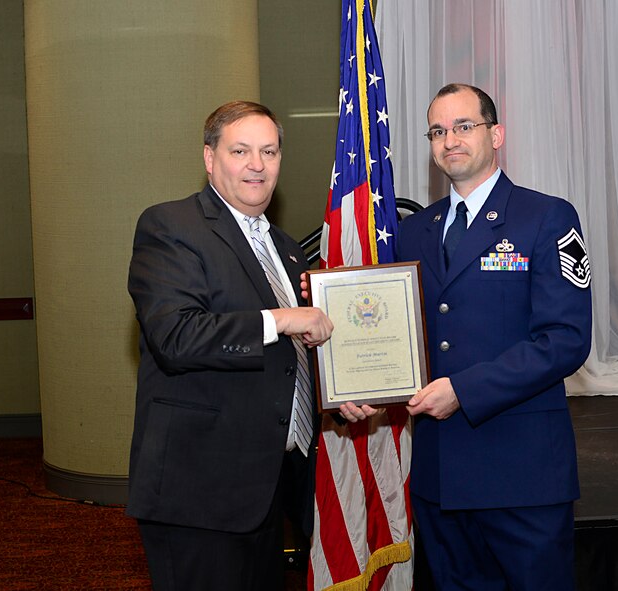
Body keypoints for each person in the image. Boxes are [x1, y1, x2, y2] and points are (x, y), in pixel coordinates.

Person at [339, 83, 593, 590]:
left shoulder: (546, 217)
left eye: (463, 126)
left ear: (495, 134)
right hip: (440, 477)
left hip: (522, 475)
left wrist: (464, 390)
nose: (449, 139)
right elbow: (392, 332)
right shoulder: (415, 232)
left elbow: (566, 339)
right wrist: (355, 376)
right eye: (438, 130)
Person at [126, 100, 333, 591]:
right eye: (240, 150)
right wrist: (280, 319)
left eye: (269, 151)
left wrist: (343, 393)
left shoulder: (284, 247)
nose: (257, 164)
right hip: (200, 489)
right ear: (209, 158)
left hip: (270, 486)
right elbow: (177, 337)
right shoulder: (171, 226)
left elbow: (291, 360)